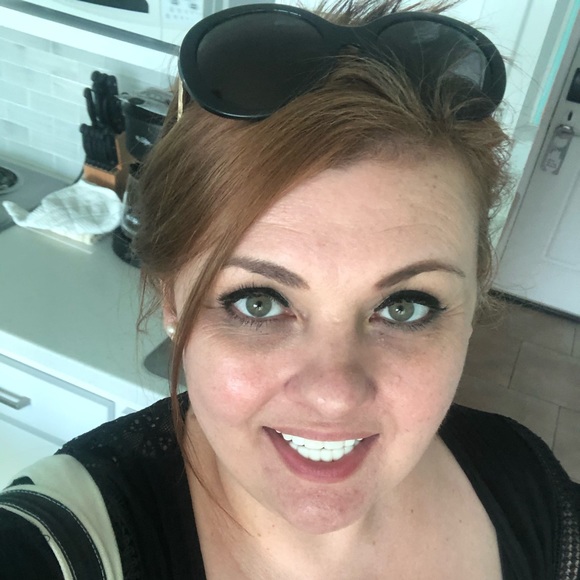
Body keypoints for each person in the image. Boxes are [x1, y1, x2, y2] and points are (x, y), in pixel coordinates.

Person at [1, 0, 579, 578]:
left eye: (404, 307)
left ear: (472, 306)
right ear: (171, 299)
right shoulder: (58, 546)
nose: (334, 395)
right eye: (259, 303)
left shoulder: (529, 483)